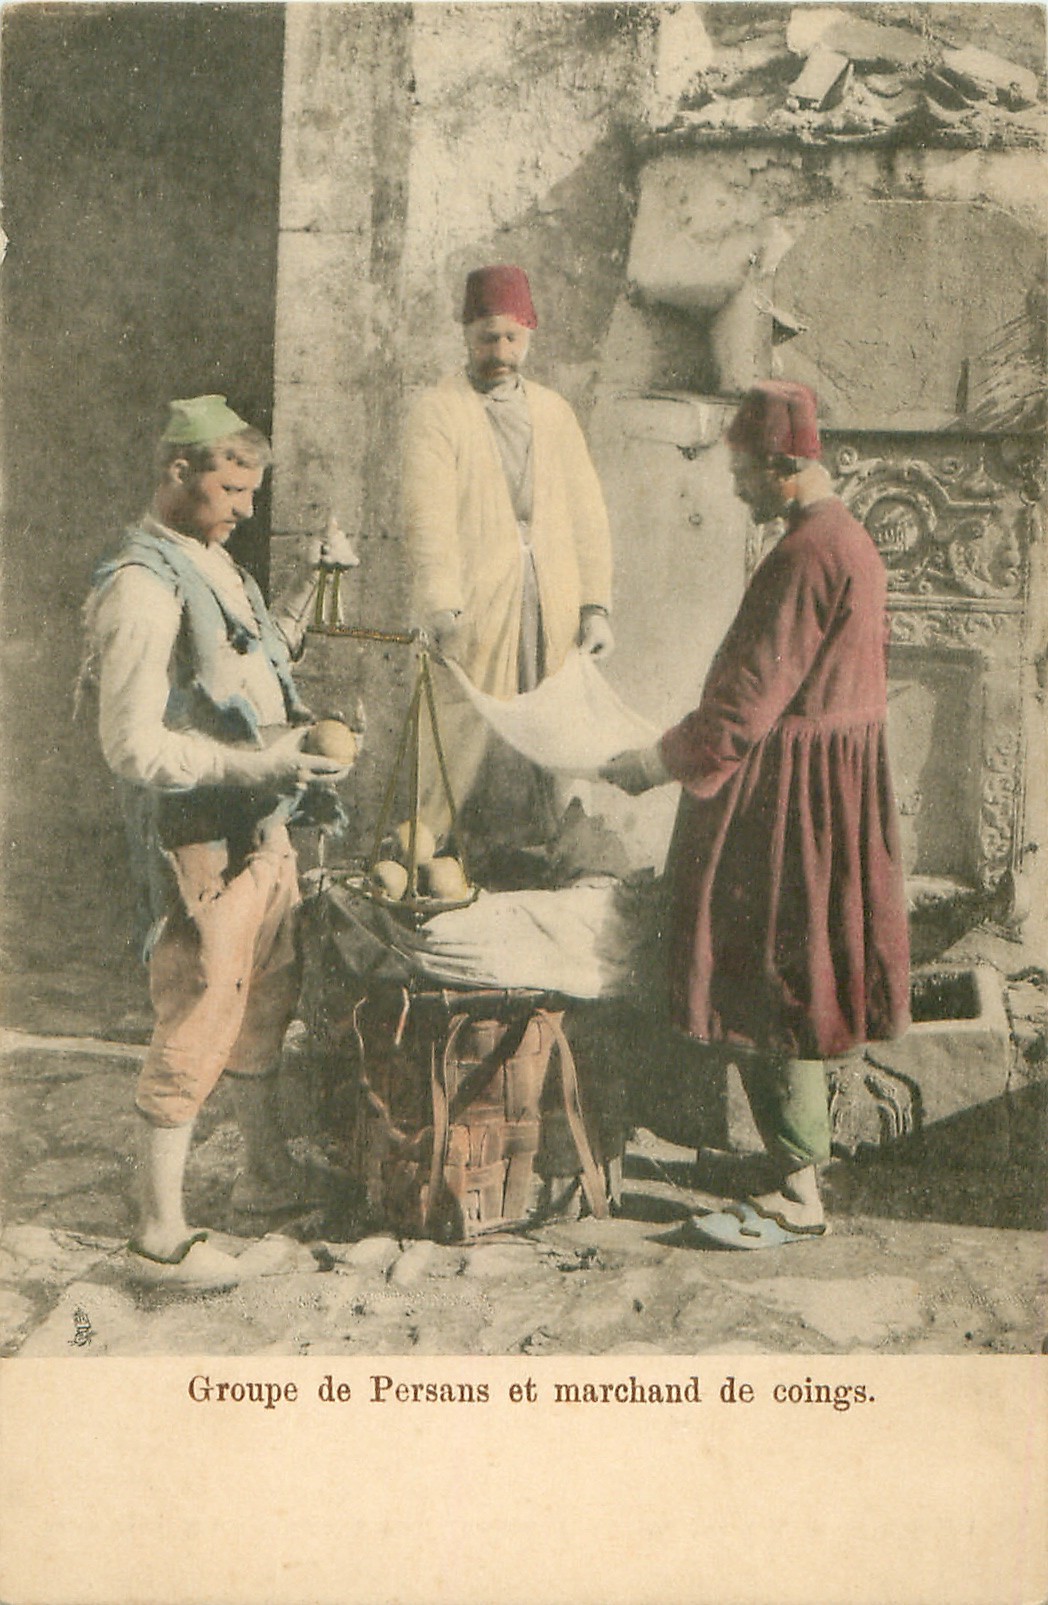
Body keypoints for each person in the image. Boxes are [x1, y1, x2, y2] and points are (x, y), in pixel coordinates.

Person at [602, 380, 911, 1249]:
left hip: (787, 801)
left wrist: (652, 763)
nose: (736, 489)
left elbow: (743, 707)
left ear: (783, 466)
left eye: (743, 473)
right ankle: (797, 1168)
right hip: (826, 794)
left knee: (769, 976)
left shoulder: (805, 555)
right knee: (800, 973)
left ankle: (795, 1191)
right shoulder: (848, 540)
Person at [83, 395, 358, 1288]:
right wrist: (260, 763)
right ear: (178, 472)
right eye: (232, 489)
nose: (245, 508)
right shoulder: (140, 586)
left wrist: (315, 582)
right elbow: (133, 747)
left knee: (264, 996)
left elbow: (261, 657)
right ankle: (158, 1234)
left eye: (251, 491)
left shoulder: (216, 564)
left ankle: (263, 1175)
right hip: (197, 836)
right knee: (199, 1006)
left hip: (260, 825)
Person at [402, 263, 614, 859]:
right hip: (476, 602)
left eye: (511, 338)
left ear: (530, 336)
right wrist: (442, 605)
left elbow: (588, 516)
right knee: (462, 730)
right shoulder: (438, 411)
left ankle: (549, 854)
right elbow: (429, 518)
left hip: (551, 601)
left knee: (553, 725)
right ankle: (439, 857)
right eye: (486, 338)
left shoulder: (554, 412)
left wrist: (594, 607)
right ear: (466, 336)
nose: (499, 352)